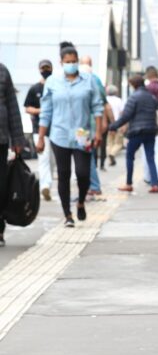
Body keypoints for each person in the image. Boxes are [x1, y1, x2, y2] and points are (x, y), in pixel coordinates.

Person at [36, 44, 104, 228]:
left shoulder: (88, 80)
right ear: (61, 62)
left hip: (82, 134)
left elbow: (97, 106)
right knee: (63, 174)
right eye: (68, 62)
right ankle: (67, 214)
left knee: (83, 173)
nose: (71, 64)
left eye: (74, 61)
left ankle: (81, 201)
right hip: (59, 134)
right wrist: (41, 137)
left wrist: (98, 131)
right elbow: (46, 112)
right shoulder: (52, 82)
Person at [109, 75, 158, 194]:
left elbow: (126, 116)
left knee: (129, 156)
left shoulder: (134, 97)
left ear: (134, 85)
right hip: (151, 130)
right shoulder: (151, 97)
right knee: (150, 157)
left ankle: (129, 183)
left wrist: (113, 126)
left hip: (137, 131)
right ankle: (154, 184)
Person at [0, 62, 26, 246]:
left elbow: (12, 106)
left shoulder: (2, 71)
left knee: (1, 185)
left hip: (0, 140)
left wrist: (17, 139)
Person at [24, 59, 55, 201]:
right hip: (39, 130)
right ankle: (44, 186)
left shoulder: (56, 86)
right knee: (43, 158)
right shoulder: (34, 88)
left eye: (48, 67)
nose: (46, 70)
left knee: (52, 160)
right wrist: (40, 111)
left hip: (55, 129)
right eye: (43, 68)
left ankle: (48, 184)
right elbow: (27, 108)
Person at [80, 55, 108, 197]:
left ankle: (93, 185)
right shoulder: (95, 79)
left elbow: (100, 104)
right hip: (84, 127)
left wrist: (101, 125)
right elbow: (103, 102)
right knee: (86, 155)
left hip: (83, 128)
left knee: (85, 155)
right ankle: (90, 185)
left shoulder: (92, 80)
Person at [144, 66, 158, 187]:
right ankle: (157, 176)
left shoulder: (146, 89)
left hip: (146, 123)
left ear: (148, 75)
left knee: (146, 151)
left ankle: (147, 176)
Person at [105, 85, 125, 166]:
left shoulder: (105, 100)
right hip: (118, 123)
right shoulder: (119, 100)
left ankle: (110, 158)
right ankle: (112, 154)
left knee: (109, 143)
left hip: (108, 124)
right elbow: (122, 113)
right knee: (119, 143)